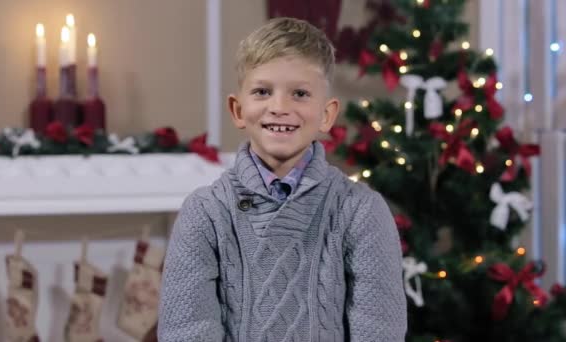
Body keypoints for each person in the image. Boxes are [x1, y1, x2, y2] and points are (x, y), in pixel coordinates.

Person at [158, 17, 406, 341]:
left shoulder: (361, 212)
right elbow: (186, 331)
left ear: (327, 115)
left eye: (300, 93)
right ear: (237, 109)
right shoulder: (204, 214)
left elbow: (379, 331)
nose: (279, 107)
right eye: (262, 91)